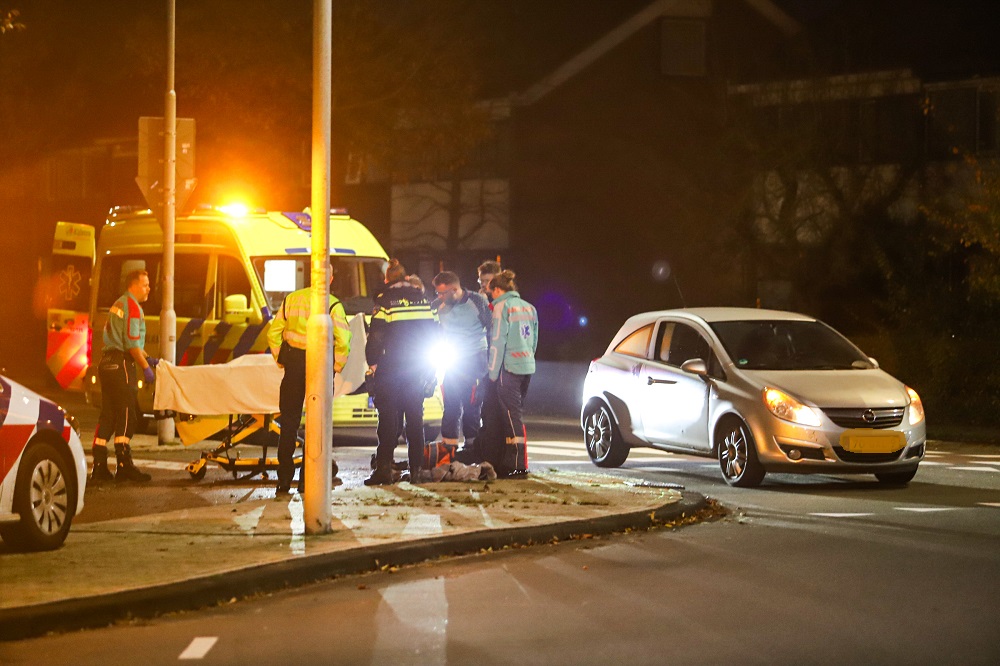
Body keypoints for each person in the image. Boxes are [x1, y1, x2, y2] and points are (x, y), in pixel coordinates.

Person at [267, 272, 352, 494]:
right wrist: (336, 367)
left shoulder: (291, 299)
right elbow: (343, 340)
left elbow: (273, 333)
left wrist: (280, 359)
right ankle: (307, 480)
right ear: (331, 279)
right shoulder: (332, 305)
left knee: (288, 424)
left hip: (294, 365)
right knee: (317, 425)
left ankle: (283, 481)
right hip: (320, 367)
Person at [364, 259, 439, 485]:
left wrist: (372, 362)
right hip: (416, 367)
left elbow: (375, 336)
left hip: (391, 367)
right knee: (415, 418)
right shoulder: (423, 300)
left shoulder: (385, 301)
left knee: (388, 418)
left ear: (387, 279)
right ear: (406, 277)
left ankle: (384, 470)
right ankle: (417, 470)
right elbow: (435, 333)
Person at [90, 269, 155, 484]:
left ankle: (99, 466)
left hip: (106, 362)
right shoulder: (133, 307)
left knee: (108, 414)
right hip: (121, 365)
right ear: (133, 286)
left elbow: (126, 341)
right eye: (145, 284)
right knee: (128, 413)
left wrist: (149, 358)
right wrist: (146, 368)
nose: (149, 288)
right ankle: (124, 464)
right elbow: (131, 345)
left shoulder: (118, 304)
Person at [431, 271, 491, 461]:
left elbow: (491, 327)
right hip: (453, 358)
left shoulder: (477, 302)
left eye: (442, 293)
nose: (439, 297)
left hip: (475, 357)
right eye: (437, 293)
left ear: (455, 290)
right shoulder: (437, 306)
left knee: (471, 403)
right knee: (451, 402)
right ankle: (449, 446)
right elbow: (431, 329)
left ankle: (472, 445)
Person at [484, 269, 538, 477]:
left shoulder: (502, 307)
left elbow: (497, 342)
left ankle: (517, 464)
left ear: (498, 290)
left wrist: (492, 373)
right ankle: (513, 461)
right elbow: (534, 340)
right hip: (526, 366)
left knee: (510, 415)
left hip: (508, 368)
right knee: (514, 413)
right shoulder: (529, 308)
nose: (491, 297)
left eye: (491, 293)